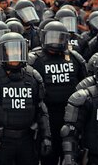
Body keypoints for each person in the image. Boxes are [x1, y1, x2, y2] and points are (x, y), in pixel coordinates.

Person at [0, 32, 52, 165]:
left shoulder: (33, 77)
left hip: (28, 138)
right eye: (10, 50)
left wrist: (46, 136)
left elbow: (41, 109)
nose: (14, 54)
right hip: (2, 140)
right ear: (3, 52)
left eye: (17, 50)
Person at [27, 21, 87, 165]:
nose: (55, 42)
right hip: (47, 116)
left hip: (71, 115)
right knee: (48, 154)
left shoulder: (75, 58)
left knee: (71, 155)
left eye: (59, 38)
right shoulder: (34, 59)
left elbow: (84, 84)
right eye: (51, 37)